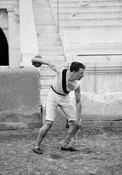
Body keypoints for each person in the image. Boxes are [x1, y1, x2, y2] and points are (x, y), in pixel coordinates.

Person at [31, 55, 85, 154]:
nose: (83, 75)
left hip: (65, 98)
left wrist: (78, 119)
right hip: (53, 95)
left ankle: (65, 144)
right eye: (81, 73)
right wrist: (35, 60)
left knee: (75, 123)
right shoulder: (61, 71)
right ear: (74, 72)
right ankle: (36, 145)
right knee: (49, 123)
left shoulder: (77, 85)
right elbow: (47, 62)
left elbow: (78, 102)